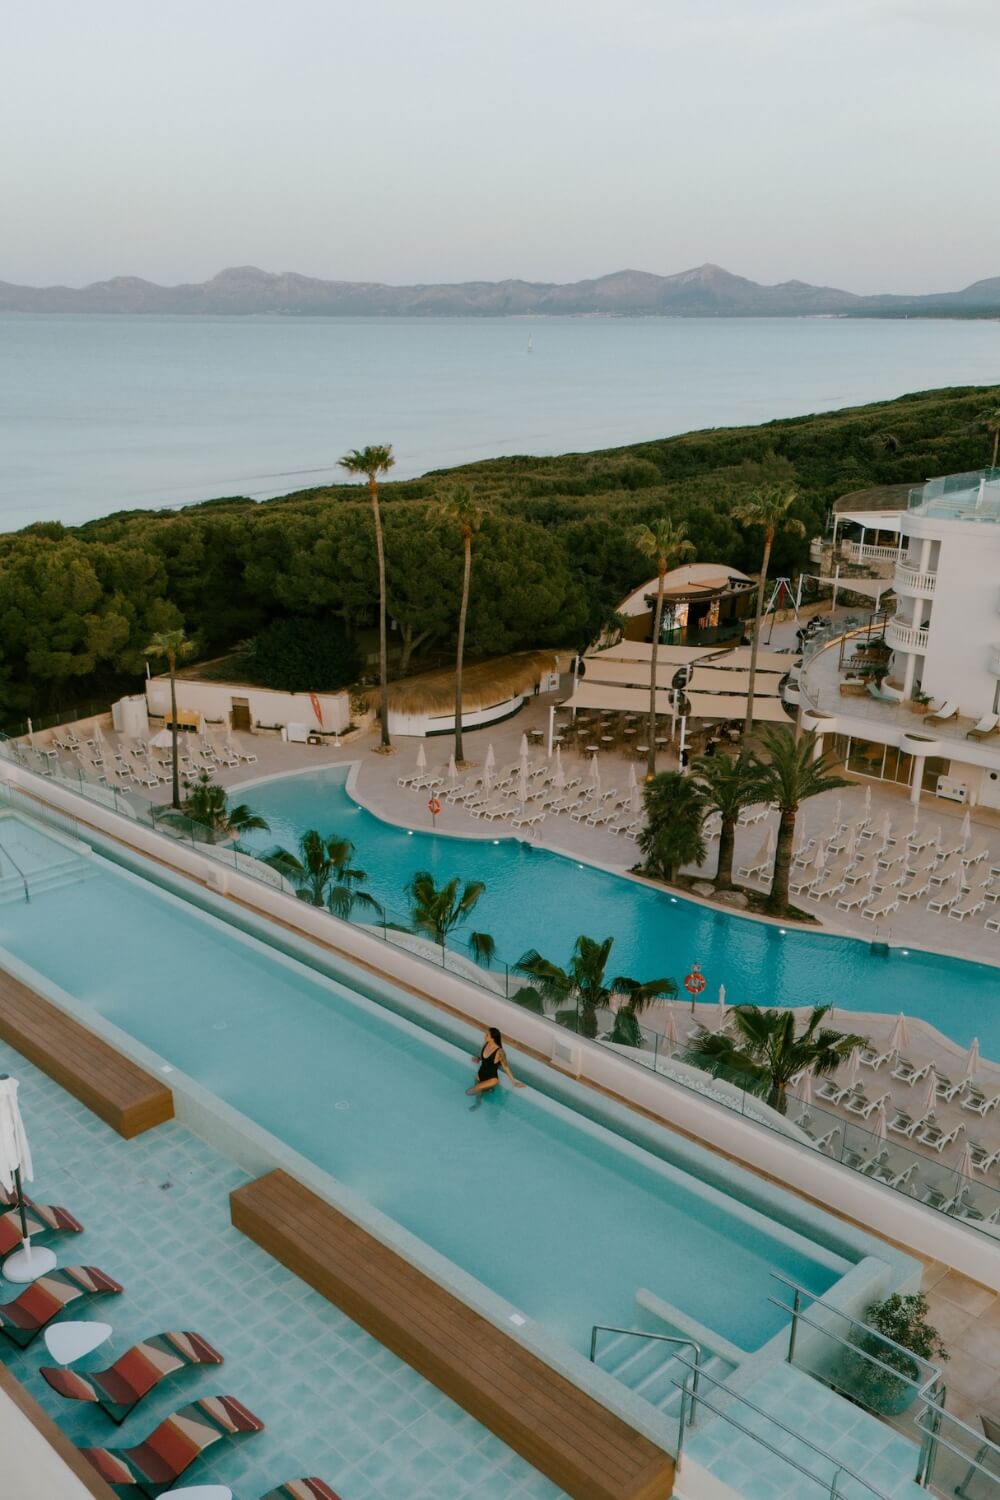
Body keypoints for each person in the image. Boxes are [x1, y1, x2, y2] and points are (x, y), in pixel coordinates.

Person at [467, 1026, 525, 1097]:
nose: (485, 1036)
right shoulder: (486, 1044)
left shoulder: (500, 1052)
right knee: (478, 1095)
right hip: (480, 1074)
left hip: (491, 1078)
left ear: (492, 1038)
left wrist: (514, 1082)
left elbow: (506, 1067)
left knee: (469, 1092)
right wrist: (478, 1058)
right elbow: (485, 1058)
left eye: (487, 1035)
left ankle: (488, 1088)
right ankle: (482, 1098)